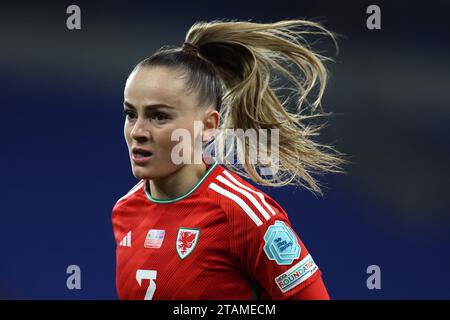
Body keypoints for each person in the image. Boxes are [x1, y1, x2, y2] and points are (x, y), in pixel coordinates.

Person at [112, 19, 346, 300]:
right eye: (130, 114)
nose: (137, 131)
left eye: (159, 116)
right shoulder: (126, 211)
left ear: (209, 126)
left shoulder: (243, 214)